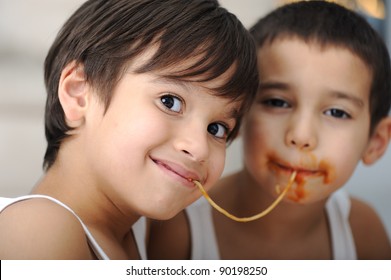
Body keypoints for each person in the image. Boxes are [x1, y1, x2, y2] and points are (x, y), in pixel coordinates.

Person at [0, 0, 258, 259]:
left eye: (216, 128)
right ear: (78, 93)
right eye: (170, 101)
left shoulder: (140, 230)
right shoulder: (39, 230)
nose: (199, 147)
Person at [147, 1, 391, 260]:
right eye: (277, 102)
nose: (301, 136)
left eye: (337, 112)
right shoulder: (174, 229)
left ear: (375, 142)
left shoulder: (362, 231)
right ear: (236, 115)